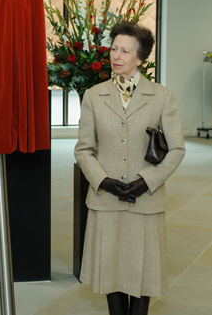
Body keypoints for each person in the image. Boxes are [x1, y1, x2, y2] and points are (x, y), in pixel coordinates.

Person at [74, 21, 185, 315]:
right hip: (106, 199)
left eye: (125, 51)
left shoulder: (162, 97)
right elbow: (84, 149)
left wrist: (146, 181)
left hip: (145, 200)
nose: (116, 56)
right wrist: (103, 181)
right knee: (110, 273)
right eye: (114, 49)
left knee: (143, 272)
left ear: (140, 58)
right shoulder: (94, 96)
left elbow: (176, 149)